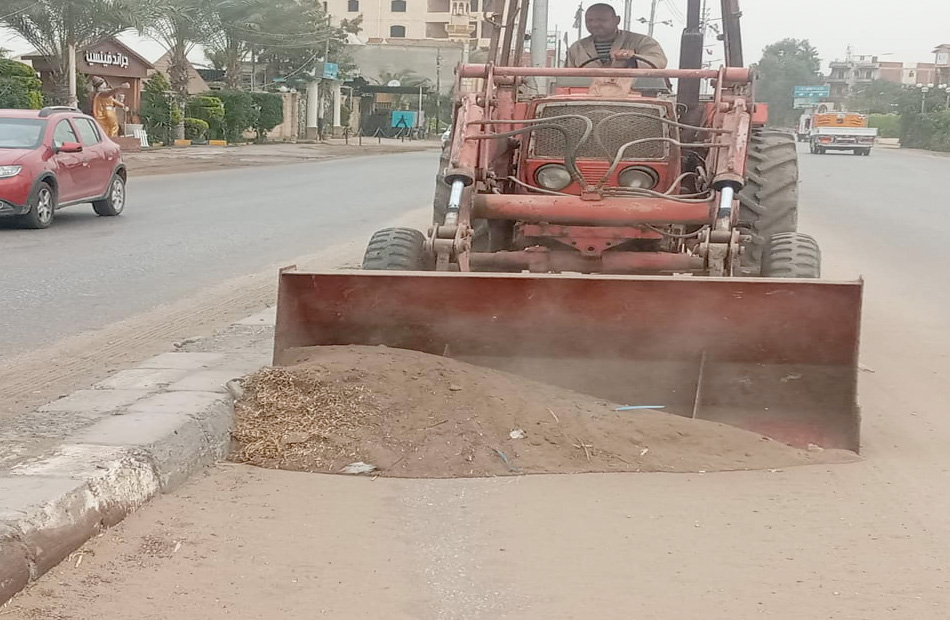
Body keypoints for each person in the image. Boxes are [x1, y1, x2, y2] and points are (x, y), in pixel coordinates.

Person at [566, 3, 668, 70]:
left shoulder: (643, 42)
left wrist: (633, 59)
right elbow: (565, 78)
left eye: (601, 20)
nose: (595, 24)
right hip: (585, 98)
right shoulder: (577, 48)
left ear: (617, 20)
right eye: (590, 21)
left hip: (633, 98)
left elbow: (659, 62)